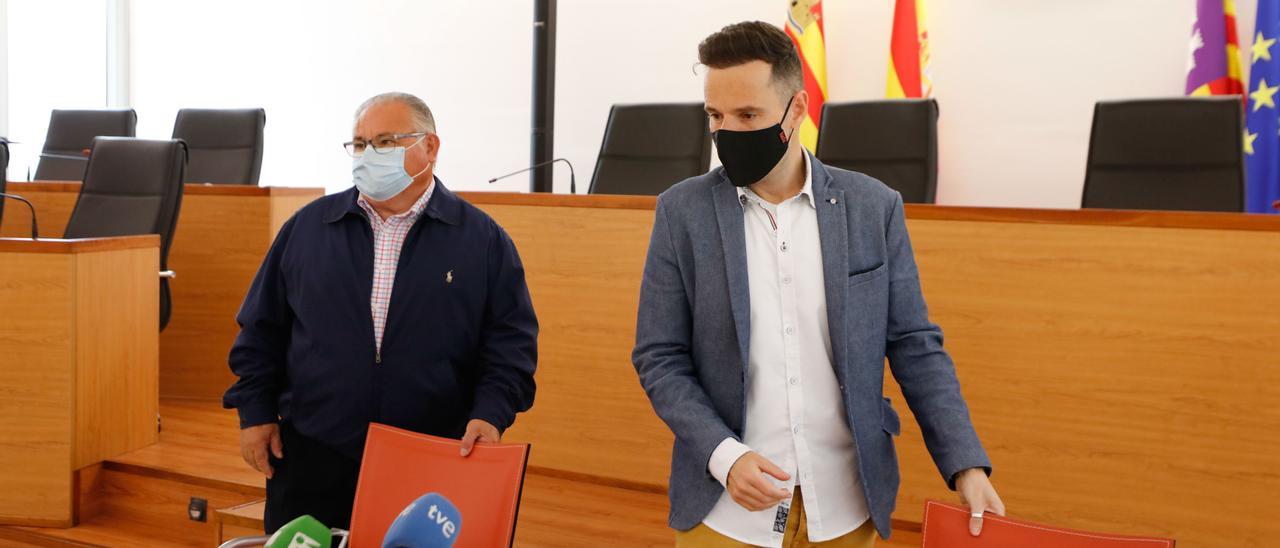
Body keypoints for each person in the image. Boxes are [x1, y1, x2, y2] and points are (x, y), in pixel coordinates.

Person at [632, 22, 1003, 547]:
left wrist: (966, 464)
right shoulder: (681, 212)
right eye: (715, 116)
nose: (727, 133)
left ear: (798, 110)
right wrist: (724, 454)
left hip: (847, 506)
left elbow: (914, 345)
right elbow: (659, 356)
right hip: (726, 509)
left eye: (748, 115)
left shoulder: (874, 207)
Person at [223, 91, 538, 531]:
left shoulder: (482, 241)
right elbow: (261, 330)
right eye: (360, 143)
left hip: (428, 458)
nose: (370, 155)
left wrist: (491, 413)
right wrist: (254, 412)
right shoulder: (309, 229)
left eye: (387, 142)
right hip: (313, 453)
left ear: (430, 147)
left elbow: (510, 347)